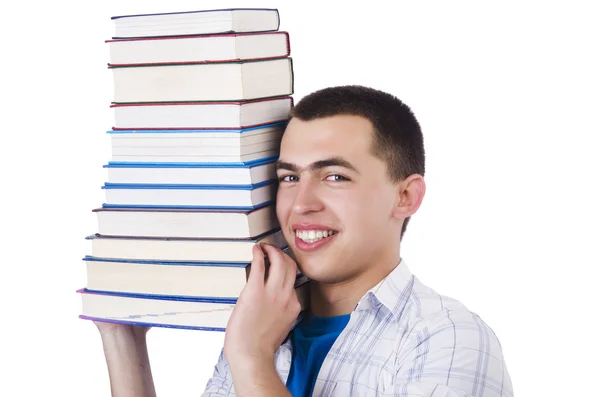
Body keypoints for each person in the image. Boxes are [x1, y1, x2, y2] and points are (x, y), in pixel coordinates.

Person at [94, 85, 513, 397]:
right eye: (290, 178)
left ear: (405, 197)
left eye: (335, 177)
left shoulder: (447, 338)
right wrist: (122, 337)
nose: (301, 204)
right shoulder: (265, 323)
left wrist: (253, 358)